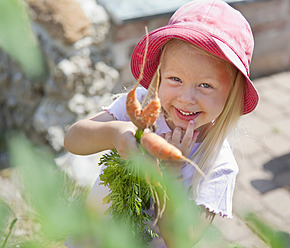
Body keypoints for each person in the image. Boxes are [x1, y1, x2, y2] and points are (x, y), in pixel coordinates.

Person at [64, 0, 259, 247]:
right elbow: (73, 139)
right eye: (175, 79)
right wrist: (118, 132)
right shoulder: (141, 109)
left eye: (205, 85)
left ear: (232, 94)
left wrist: (169, 175)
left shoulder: (217, 164)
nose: (187, 99)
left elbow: (183, 240)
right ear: (159, 74)